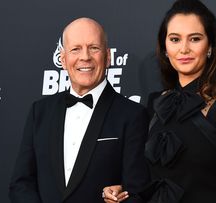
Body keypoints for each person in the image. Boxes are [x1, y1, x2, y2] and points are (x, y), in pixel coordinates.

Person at [103, 0, 216, 202]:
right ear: (164, 47)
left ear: (211, 46)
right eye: (175, 39)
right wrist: (123, 190)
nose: (184, 49)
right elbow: (150, 179)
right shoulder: (157, 105)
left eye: (195, 39)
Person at [9, 17, 149, 203]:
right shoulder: (39, 112)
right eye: (76, 49)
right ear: (63, 59)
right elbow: (21, 184)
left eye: (94, 48)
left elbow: (138, 192)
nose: (85, 57)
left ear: (108, 57)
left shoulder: (132, 115)